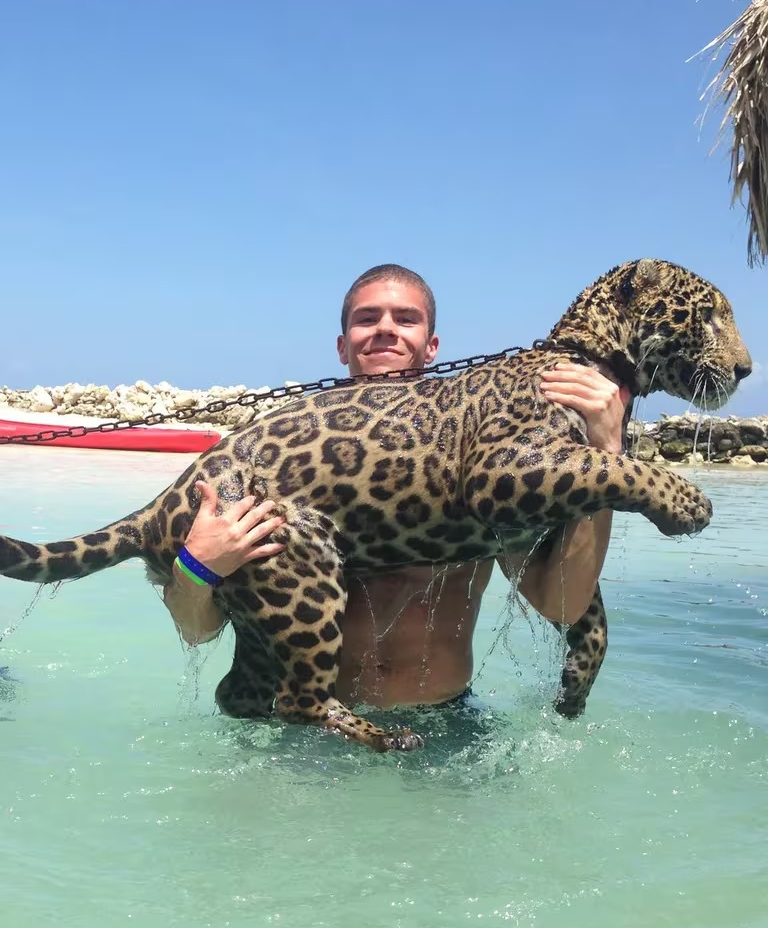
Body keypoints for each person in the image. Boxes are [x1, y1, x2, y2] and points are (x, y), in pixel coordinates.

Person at [163, 265, 628, 710]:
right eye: (368, 318)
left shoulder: (478, 449)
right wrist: (195, 568)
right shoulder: (279, 461)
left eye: (407, 319)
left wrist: (607, 455)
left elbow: (562, 604)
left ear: (431, 346)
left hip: (445, 722)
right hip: (313, 725)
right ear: (343, 346)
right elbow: (197, 631)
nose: (386, 328)